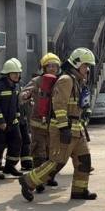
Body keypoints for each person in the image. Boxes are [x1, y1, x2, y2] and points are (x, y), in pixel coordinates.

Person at [18, 48, 98, 202]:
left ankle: (79, 191)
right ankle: (28, 181)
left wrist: (85, 112)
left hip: (76, 128)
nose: (87, 69)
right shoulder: (66, 80)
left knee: (84, 160)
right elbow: (59, 105)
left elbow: (77, 104)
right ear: (76, 64)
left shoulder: (77, 81)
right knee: (57, 162)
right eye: (85, 66)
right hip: (64, 128)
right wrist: (63, 128)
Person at [20, 52, 62, 186]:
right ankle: (37, 180)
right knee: (39, 152)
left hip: (54, 124)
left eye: (55, 66)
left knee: (52, 152)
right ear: (44, 68)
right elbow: (22, 95)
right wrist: (25, 95)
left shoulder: (60, 82)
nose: (52, 69)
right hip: (38, 123)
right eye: (49, 66)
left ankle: (49, 177)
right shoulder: (37, 81)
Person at [0, 58, 24, 180]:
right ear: (7, 74)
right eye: (14, 73)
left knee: (16, 143)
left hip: (12, 123)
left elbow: (16, 104)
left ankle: (10, 166)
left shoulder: (16, 87)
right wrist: (1, 122)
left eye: (18, 73)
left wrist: (18, 117)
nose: (17, 75)